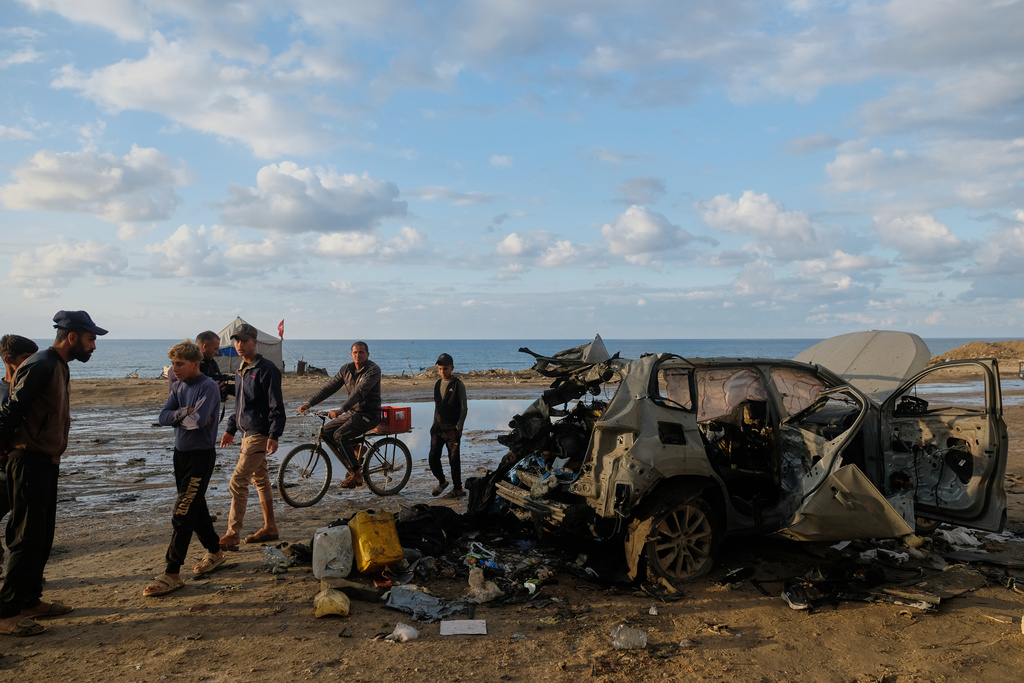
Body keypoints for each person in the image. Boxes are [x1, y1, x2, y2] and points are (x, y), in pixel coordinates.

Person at [0, 310, 107, 637]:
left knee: (41, 536)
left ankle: (30, 600)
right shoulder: (42, 363)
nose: (93, 346)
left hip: (46, 461)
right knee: (24, 536)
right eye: (90, 339)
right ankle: (6, 613)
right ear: (72, 337)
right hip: (27, 460)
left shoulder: (59, 366)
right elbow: (11, 410)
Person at [143, 340, 225, 597]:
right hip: (180, 454)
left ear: (195, 364)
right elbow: (163, 416)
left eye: (179, 364)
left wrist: (183, 417)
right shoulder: (178, 386)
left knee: (183, 511)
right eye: (172, 364)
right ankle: (216, 551)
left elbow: (197, 423)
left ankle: (172, 571)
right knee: (195, 506)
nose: (174, 369)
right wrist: (184, 413)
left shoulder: (208, 387)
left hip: (200, 456)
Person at [218, 323, 285, 550]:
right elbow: (239, 405)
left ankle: (232, 533)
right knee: (261, 480)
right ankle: (270, 527)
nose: (239, 345)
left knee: (238, 482)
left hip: (259, 434)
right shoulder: (240, 370)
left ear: (255, 342)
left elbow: (277, 405)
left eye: (244, 341)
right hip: (246, 433)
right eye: (237, 341)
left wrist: (274, 434)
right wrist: (230, 429)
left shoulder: (266, 369)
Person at [297, 341, 381, 489]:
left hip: (369, 414)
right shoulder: (346, 369)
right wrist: (309, 404)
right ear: (351, 354)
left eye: (361, 352)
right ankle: (355, 451)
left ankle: (357, 475)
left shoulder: (373, 370)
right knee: (326, 433)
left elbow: (359, 392)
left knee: (340, 436)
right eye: (355, 352)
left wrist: (341, 410)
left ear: (367, 354)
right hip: (352, 413)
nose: (358, 355)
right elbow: (329, 388)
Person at [0, 335, 40, 575]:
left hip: (25, 465)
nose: (31, 363)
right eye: (26, 358)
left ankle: (26, 573)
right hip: (3, 469)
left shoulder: (34, 388)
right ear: (8, 359)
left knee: (26, 525)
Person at [428, 353, 468, 498]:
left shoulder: (458, 384)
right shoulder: (437, 384)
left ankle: (458, 489)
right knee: (433, 458)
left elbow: (464, 408)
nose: (442, 372)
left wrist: (460, 426)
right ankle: (442, 482)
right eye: (439, 369)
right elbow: (437, 407)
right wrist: (433, 425)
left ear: (451, 368)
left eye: (445, 368)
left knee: (453, 460)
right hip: (438, 428)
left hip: (452, 429)